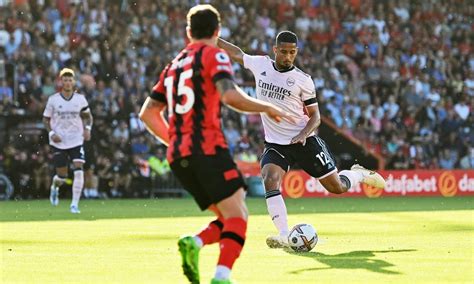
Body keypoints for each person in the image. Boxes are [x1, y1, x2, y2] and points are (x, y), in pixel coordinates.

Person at [139, 5, 291, 284]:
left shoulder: (174, 65)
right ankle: (222, 276)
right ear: (218, 31)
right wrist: (267, 107)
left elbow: (147, 114)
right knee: (239, 216)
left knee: (230, 214)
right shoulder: (214, 55)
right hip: (208, 149)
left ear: (188, 33)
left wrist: (177, 142)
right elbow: (230, 96)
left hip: (178, 155)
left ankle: (195, 243)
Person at [218, 31, 386, 248]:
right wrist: (212, 39)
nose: (288, 57)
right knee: (270, 178)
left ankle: (357, 174)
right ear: (275, 49)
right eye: (284, 52)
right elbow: (238, 54)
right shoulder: (261, 65)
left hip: (305, 141)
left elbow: (316, 116)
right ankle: (284, 235)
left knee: (336, 187)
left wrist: (303, 134)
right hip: (276, 143)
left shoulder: (303, 80)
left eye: (292, 52)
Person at [43, 68, 93, 214]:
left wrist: (88, 128)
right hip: (59, 141)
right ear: (61, 82)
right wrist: (52, 133)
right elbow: (45, 119)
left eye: (70, 80)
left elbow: (88, 116)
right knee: (62, 177)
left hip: (76, 139)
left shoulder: (80, 99)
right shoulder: (53, 100)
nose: (67, 82)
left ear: (74, 82)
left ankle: (74, 204)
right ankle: (55, 186)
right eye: (65, 80)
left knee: (79, 169)